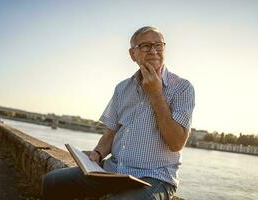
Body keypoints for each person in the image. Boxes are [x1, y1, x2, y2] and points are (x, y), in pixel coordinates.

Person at [41, 26, 195, 200]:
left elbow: (176, 143)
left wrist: (156, 94)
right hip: (113, 171)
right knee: (52, 181)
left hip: (154, 178)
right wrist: (97, 153)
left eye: (159, 45)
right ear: (132, 54)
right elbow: (111, 133)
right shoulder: (122, 88)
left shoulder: (183, 88)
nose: (153, 51)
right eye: (146, 45)